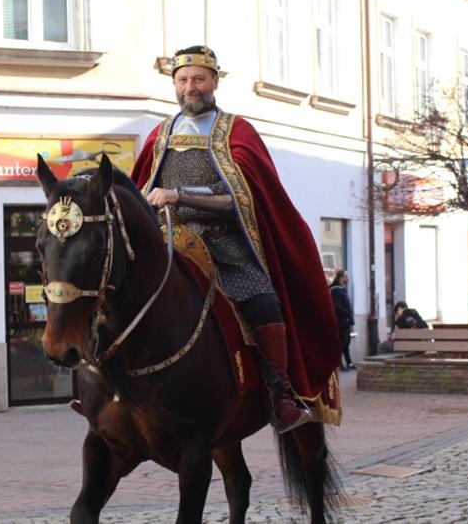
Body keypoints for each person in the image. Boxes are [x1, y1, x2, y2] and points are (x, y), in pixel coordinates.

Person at [131, 45, 342, 433]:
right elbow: (140, 188)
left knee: (263, 301)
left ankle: (279, 396)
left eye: (198, 79)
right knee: (117, 291)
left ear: (214, 81)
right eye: (182, 80)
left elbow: (244, 198)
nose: (190, 87)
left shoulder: (237, 131)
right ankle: (110, 389)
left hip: (224, 246)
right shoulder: (160, 135)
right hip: (170, 243)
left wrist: (179, 195)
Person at [329, 270, 355, 371]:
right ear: (339, 278)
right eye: (345, 276)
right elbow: (337, 306)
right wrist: (347, 312)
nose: (347, 278)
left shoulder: (341, 289)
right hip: (341, 322)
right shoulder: (336, 290)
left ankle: (349, 362)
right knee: (341, 344)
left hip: (346, 322)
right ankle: (338, 364)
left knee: (346, 343)